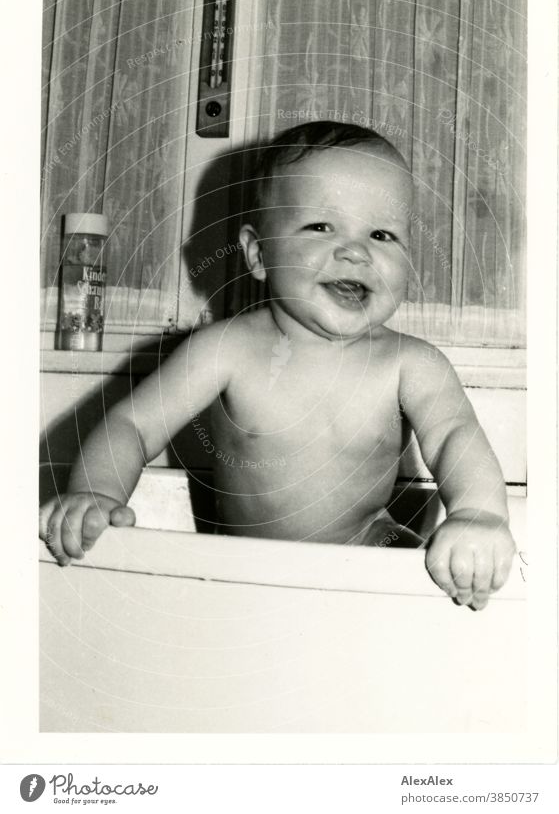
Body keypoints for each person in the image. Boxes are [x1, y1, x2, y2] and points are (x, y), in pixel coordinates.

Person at [39, 121, 516, 610]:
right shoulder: (225, 349)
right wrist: (95, 493)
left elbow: (456, 434)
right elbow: (133, 426)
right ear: (258, 253)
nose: (356, 250)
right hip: (244, 567)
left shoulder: (412, 363)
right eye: (320, 226)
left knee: (436, 586)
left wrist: (478, 513)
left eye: (382, 233)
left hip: (366, 547)